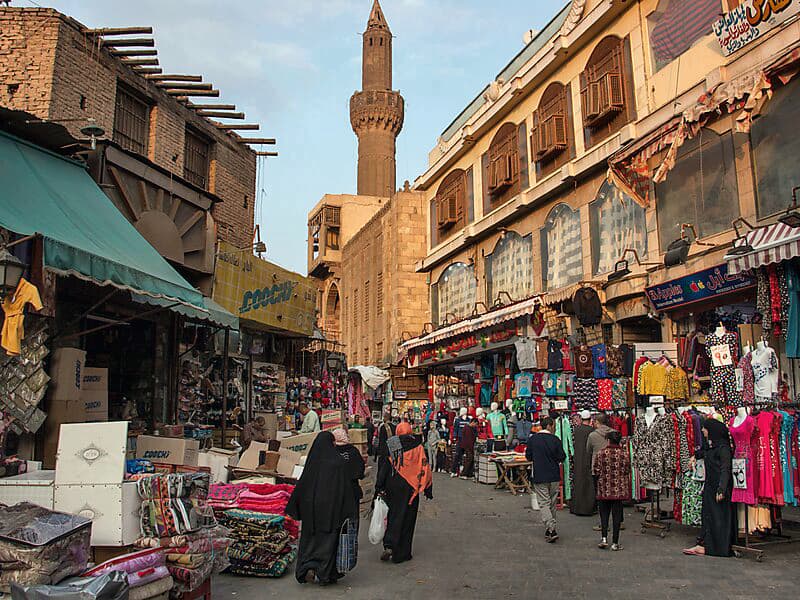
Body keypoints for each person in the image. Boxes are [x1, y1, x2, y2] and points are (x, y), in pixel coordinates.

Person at [286, 431, 357, 585]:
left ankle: (308, 567)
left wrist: (293, 508)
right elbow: (345, 489)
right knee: (328, 542)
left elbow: (302, 485)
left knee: (309, 541)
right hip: (331, 511)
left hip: (311, 511)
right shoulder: (338, 462)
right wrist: (349, 511)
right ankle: (324, 573)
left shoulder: (313, 461)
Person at [376, 422, 433, 564]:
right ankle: (401, 553)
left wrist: (379, 486)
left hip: (393, 485)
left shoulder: (393, 443)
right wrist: (427, 488)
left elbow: (384, 466)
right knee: (408, 518)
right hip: (411, 488)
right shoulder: (417, 445)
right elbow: (424, 466)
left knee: (393, 514)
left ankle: (389, 543)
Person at [683, 418, 735, 557]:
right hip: (710, 485)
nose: (702, 430)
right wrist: (694, 457)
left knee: (718, 517)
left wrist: (721, 489)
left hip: (719, 486)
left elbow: (725, 469)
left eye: (705, 428)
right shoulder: (712, 446)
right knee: (708, 515)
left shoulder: (723, 449)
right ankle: (704, 544)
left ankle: (717, 548)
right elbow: (703, 452)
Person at [527, 416, 566, 543]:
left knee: (544, 503)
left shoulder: (533, 439)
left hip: (539, 475)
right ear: (549, 425)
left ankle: (551, 528)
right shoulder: (555, 440)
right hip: (553, 475)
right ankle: (550, 528)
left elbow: (528, 456)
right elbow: (562, 456)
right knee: (552, 503)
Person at [593, 430, 630, 551]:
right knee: (616, 516)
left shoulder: (601, 453)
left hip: (604, 489)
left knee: (604, 515)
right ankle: (615, 542)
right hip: (618, 490)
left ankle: (604, 538)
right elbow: (626, 470)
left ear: (608, 440)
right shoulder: (624, 454)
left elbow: (596, 470)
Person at [333, 428, 366, 522]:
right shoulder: (354, 451)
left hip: (335, 492)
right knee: (352, 520)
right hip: (352, 491)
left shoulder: (331, 452)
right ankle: (350, 536)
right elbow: (360, 471)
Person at [571, 410, 596, 516]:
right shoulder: (592, 431)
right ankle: (588, 507)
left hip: (578, 459)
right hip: (588, 459)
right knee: (588, 483)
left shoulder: (576, 430)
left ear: (581, 419)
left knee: (578, 481)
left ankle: (577, 506)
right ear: (590, 419)